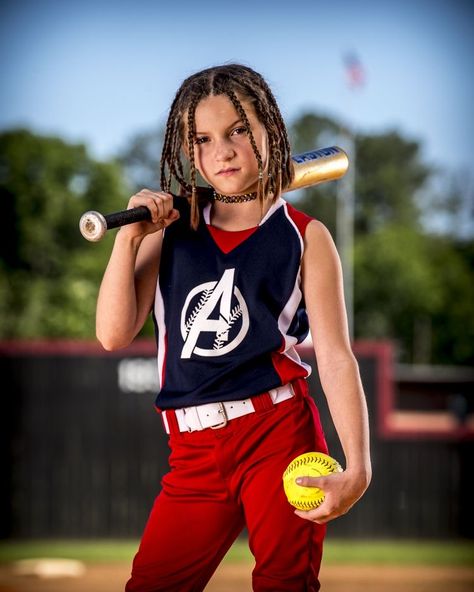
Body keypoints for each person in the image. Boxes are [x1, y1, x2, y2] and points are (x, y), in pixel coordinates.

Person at [96, 63, 372, 592]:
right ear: (186, 148)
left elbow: (336, 356)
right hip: (192, 450)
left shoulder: (305, 237)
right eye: (202, 138)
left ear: (271, 130)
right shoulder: (170, 227)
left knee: (283, 583)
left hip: (278, 436)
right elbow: (112, 333)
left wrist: (357, 467)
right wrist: (127, 240)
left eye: (238, 131)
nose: (220, 151)